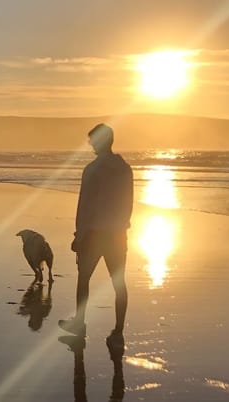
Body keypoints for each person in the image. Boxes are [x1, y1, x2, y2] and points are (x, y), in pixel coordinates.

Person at [58, 123, 133, 347]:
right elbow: (128, 203)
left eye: (91, 141)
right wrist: (123, 226)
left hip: (94, 234)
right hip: (118, 234)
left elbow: (86, 206)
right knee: (119, 283)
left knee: (84, 279)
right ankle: (118, 331)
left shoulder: (92, 169)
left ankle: (80, 323)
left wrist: (79, 236)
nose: (90, 145)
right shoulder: (124, 168)